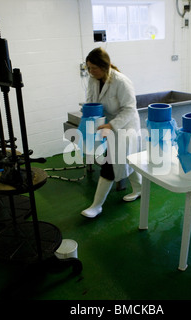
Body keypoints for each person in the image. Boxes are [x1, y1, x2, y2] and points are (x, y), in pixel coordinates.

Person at [81, 47, 142, 218]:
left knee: (110, 164)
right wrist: (91, 119)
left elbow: (130, 109)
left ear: (104, 66)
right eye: (88, 68)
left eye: (93, 67)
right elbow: (91, 101)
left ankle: (96, 206)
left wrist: (112, 125)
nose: (90, 71)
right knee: (128, 160)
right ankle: (139, 189)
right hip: (107, 125)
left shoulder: (121, 81)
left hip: (125, 126)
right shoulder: (93, 79)